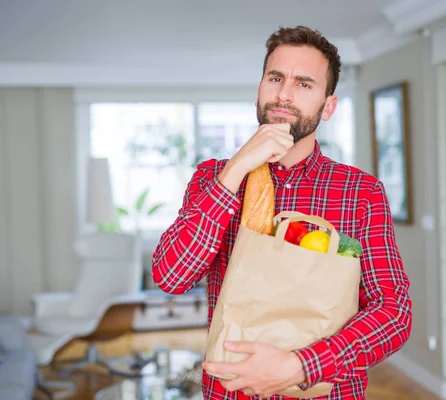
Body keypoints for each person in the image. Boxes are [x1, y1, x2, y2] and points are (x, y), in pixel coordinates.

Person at [152, 25, 412, 400]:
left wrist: (303, 365)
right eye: (275, 78)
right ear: (259, 90)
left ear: (329, 106)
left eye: (304, 84)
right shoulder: (213, 177)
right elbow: (170, 276)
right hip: (229, 391)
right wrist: (235, 171)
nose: (284, 94)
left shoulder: (360, 192)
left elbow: (393, 312)